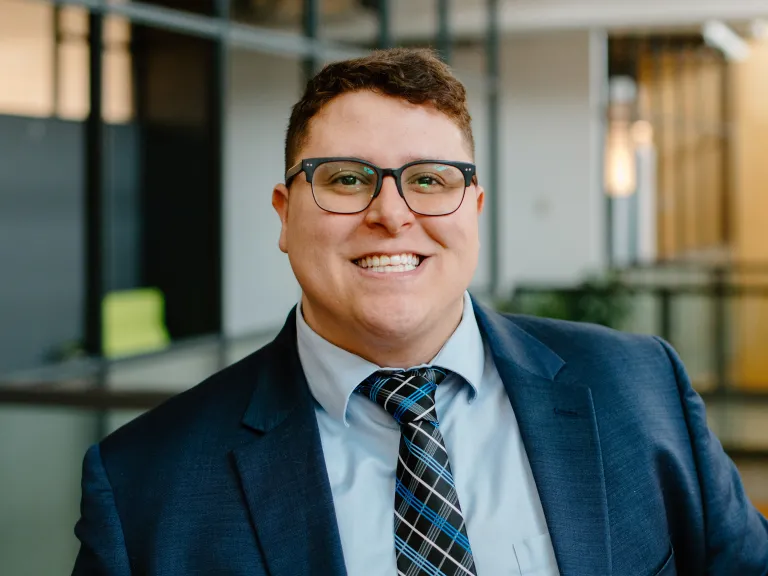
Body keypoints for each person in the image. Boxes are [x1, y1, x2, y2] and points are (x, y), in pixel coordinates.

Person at [72, 47, 768, 576]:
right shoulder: (144, 485)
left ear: (476, 210)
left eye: (430, 181)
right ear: (284, 217)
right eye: (346, 179)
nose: (391, 215)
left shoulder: (640, 389)